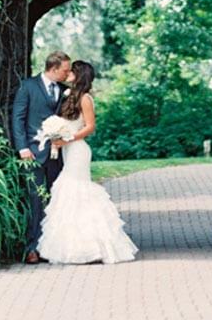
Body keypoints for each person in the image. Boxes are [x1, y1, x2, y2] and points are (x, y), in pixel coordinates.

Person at [37, 60, 138, 265]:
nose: (67, 74)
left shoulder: (85, 98)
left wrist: (67, 139)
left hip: (78, 150)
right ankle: (73, 245)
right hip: (68, 150)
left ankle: (92, 246)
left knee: (74, 189)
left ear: (79, 74)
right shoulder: (69, 95)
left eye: (71, 71)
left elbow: (90, 127)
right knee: (69, 190)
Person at [12, 50, 72, 265]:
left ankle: (52, 248)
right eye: (65, 70)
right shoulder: (28, 86)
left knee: (57, 200)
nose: (68, 73)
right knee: (36, 200)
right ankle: (32, 248)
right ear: (54, 69)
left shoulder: (66, 91)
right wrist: (22, 148)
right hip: (33, 154)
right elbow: (18, 118)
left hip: (58, 156)